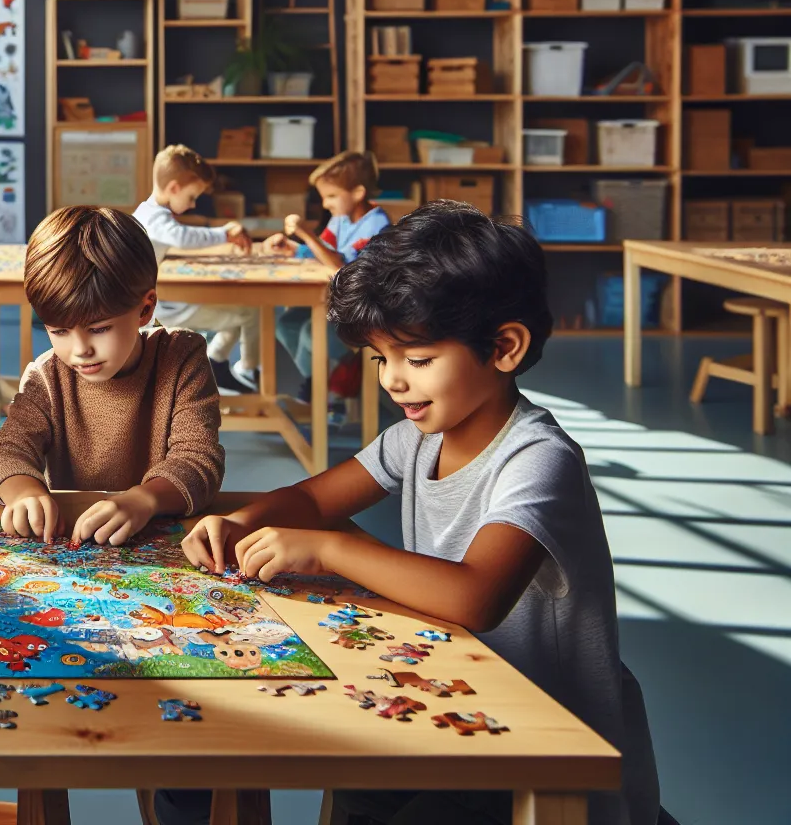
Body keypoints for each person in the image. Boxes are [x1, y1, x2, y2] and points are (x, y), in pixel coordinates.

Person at [180, 201, 660, 825]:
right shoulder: (420, 436)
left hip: (544, 747)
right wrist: (242, 519)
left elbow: (476, 598)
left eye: (419, 359)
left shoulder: (540, 459)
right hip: (457, 708)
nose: (392, 382)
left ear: (505, 347)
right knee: (353, 781)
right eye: (382, 359)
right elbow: (315, 498)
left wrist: (328, 549)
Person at [0, 205, 225, 546]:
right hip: (77, 545)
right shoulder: (46, 377)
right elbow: (3, 453)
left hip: (159, 540)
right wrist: (23, 493)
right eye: (60, 331)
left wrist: (144, 499)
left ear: (145, 309)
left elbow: (199, 461)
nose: (80, 349)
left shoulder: (182, 356)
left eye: (98, 329)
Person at [131, 145, 257, 391]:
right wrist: (225, 234)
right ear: (174, 188)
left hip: (158, 304)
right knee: (247, 314)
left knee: (239, 313)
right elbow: (181, 237)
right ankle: (248, 370)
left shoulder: (146, 211)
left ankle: (217, 363)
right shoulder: (156, 218)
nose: (192, 205)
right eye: (191, 197)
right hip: (163, 310)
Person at [266, 151, 390, 399]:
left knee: (311, 332)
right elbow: (323, 251)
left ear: (358, 193)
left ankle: (338, 377)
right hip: (336, 301)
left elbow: (340, 265)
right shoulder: (340, 219)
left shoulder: (376, 225)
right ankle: (321, 384)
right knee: (286, 324)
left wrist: (305, 233)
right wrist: (293, 248)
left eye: (331, 196)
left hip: (363, 310)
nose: (326, 204)